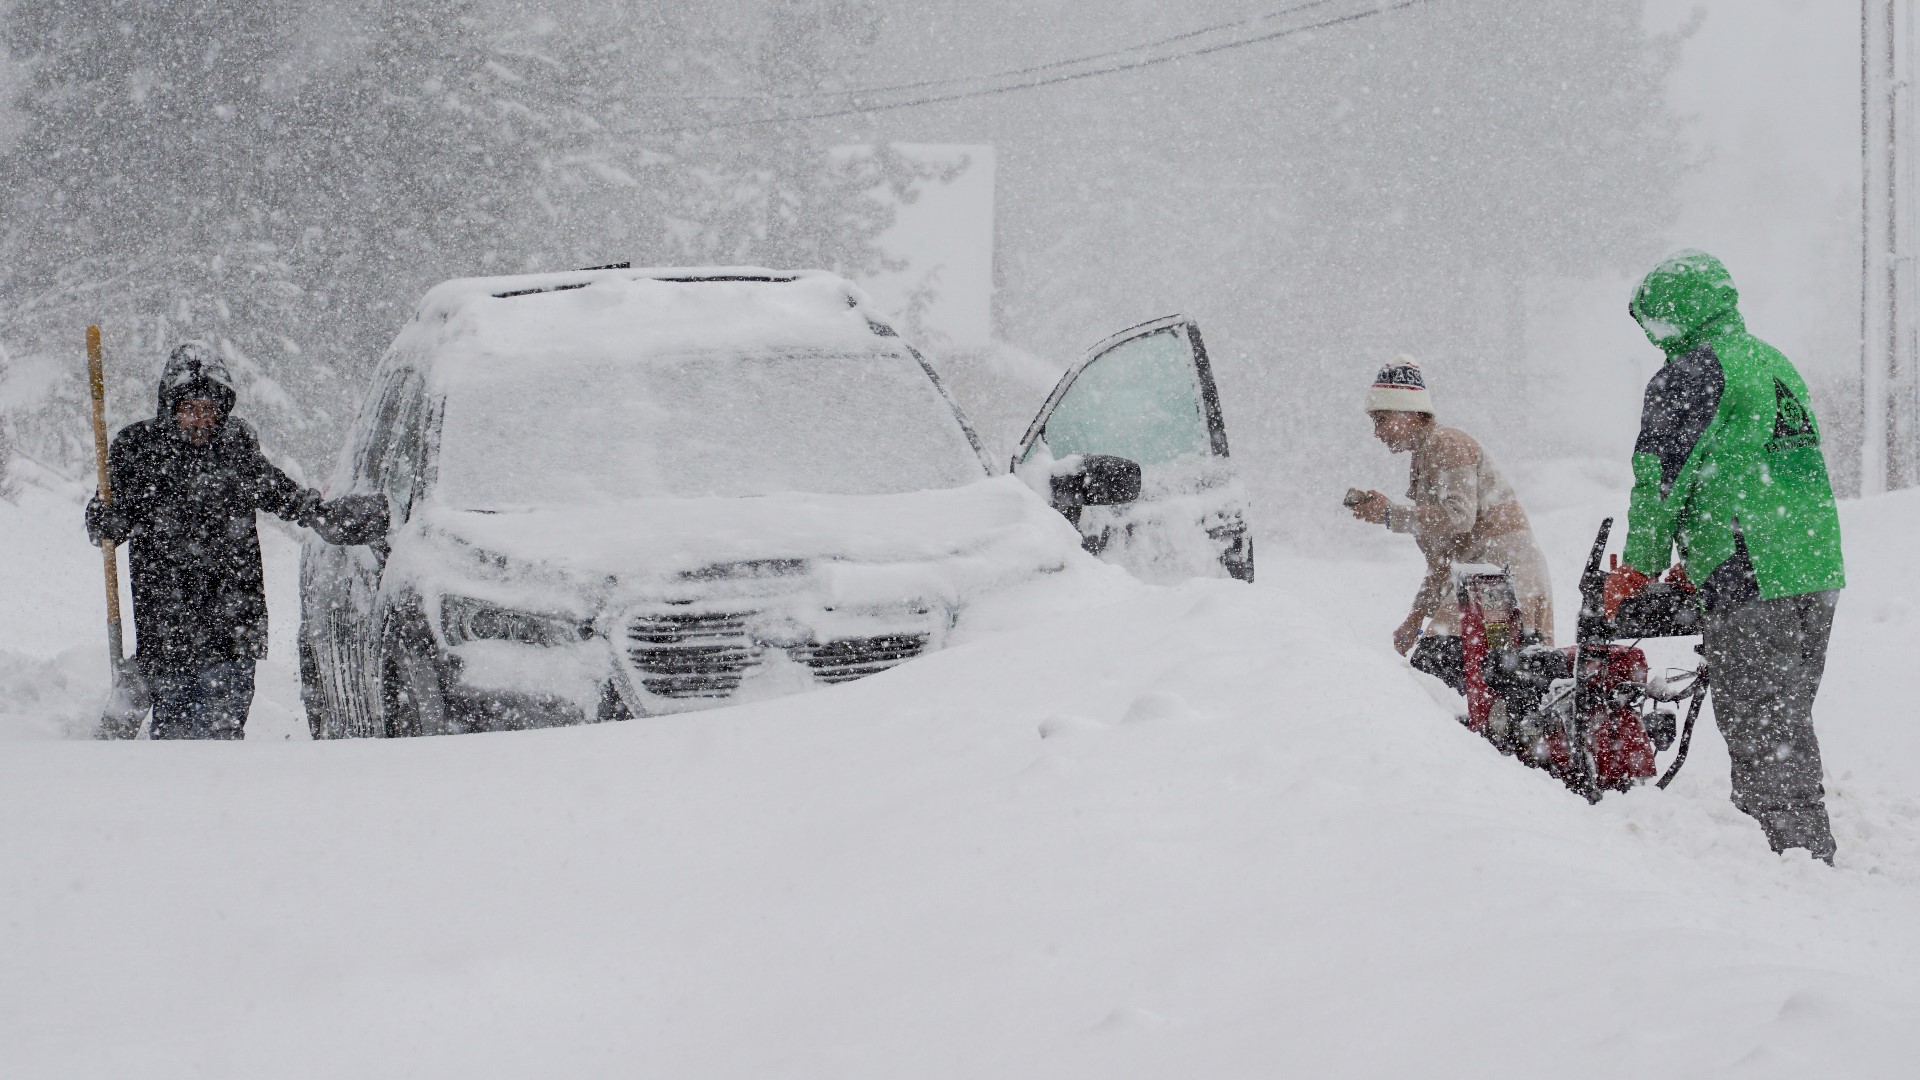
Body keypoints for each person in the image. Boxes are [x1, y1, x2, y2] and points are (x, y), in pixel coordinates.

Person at [1604, 251, 1845, 862]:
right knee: (1784, 717)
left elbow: (1660, 479)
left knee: (1763, 725)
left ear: (1676, 312)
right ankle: (1793, 846)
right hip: (1811, 561)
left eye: (1654, 321)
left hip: (1751, 562)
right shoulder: (1772, 361)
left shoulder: (1692, 371)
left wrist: (1638, 567)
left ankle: (1794, 865)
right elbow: (1758, 465)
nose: (1654, 336)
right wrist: (1701, 551)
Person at [85, 342, 387, 740]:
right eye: (189, 409)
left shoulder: (235, 445)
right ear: (169, 407)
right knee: (176, 738)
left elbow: (275, 490)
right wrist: (106, 517)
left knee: (221, 733)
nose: (200, 420)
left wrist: (320, 513)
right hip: (166, 621)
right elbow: (105, 522)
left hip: (233, 618)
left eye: (209, 409)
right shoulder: (139, 449)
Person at [1348, 357, 1555, 686]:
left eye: (1382, 420)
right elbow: (1446, 557)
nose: (1377, 433)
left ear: (1411, 412)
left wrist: (1390, 514)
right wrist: (1415, 618)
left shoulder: (1446, 444)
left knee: (1442, 677)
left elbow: (1458, 517)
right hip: (1488, 584)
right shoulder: (1425, 456)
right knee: (1500, 695)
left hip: (1504, 580)